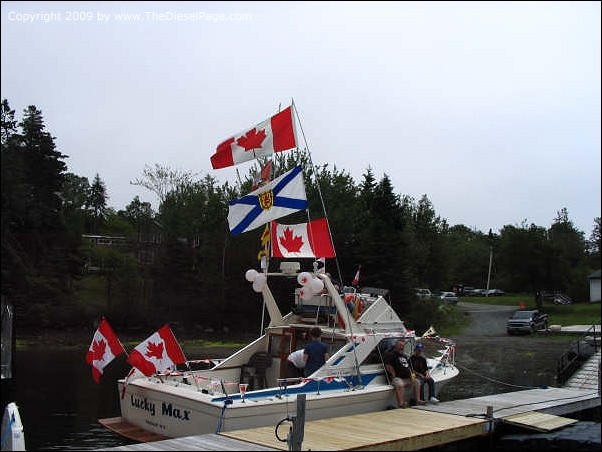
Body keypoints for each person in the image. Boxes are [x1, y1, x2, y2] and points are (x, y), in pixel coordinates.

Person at [384, 338, 425, 408]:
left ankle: (418, 400)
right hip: (397, 378)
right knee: (400, 384)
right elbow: (388, 365)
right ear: (396, 346)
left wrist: (412, 376)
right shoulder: (391, 355)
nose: (402, 347)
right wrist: (393, 374)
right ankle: (401, 403)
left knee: (417, 382)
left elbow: (409, 367)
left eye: (403, 346)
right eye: (400, 345)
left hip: (407, 378)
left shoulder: (404, 356)